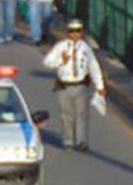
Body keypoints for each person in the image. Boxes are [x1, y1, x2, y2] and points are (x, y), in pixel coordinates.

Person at [43, 20, 106, 152]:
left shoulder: (85, 48)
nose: (75, 34)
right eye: (72, 31)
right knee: (66, 114)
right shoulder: (61, 47)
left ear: (81, 33)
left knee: (81, 114)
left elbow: (93, 66)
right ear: (68, 33)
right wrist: (61, 61)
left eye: (78, 31)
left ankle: (81, 141)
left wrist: (100, 85)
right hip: (64, 85)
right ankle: (68, 141)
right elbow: (47, 62)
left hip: (80, 84)